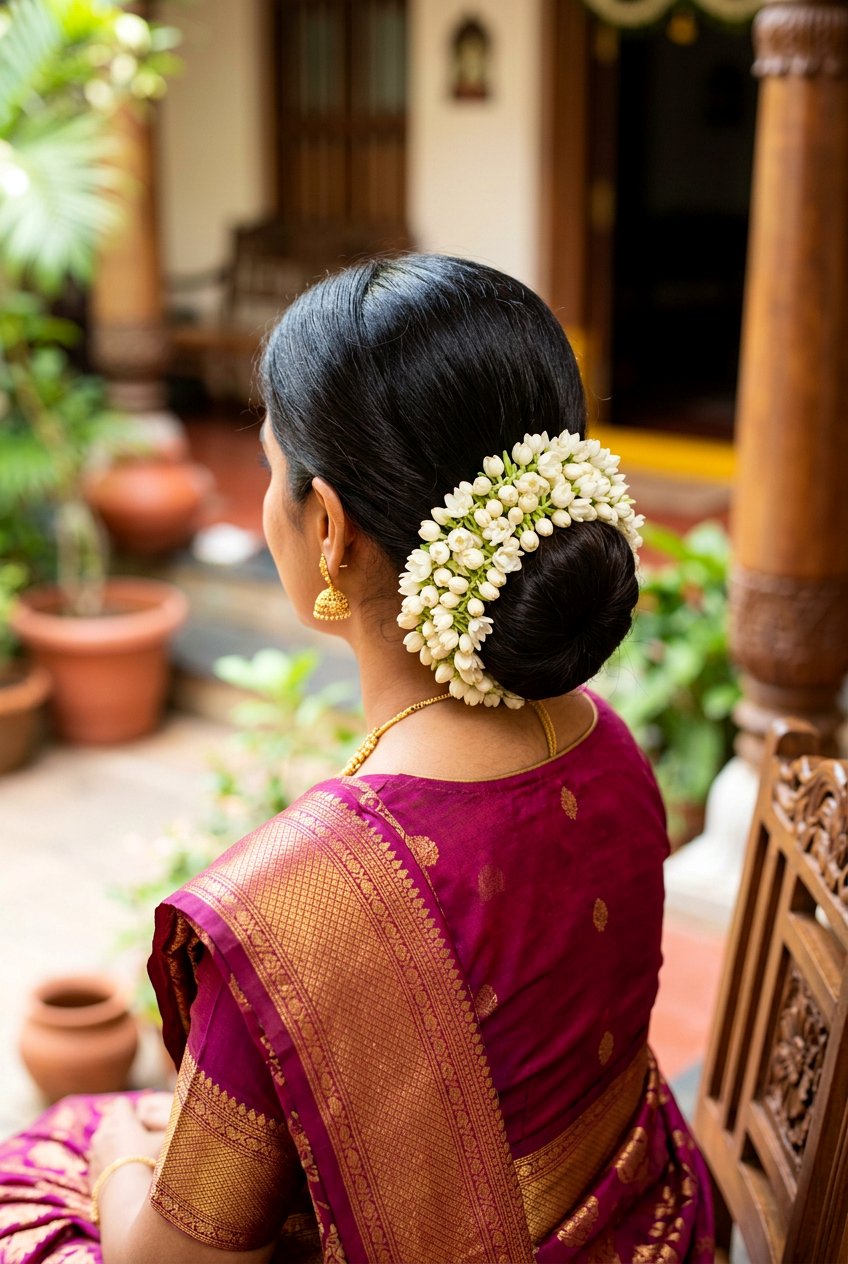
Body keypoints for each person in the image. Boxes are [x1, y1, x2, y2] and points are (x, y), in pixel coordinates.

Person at [0, 254, 714, 1263]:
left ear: (328, 528)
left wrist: (120, 1157)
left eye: (268, 466)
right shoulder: (608, 743)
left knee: (56, 1153)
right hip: (651, 1227)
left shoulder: (298, 911)